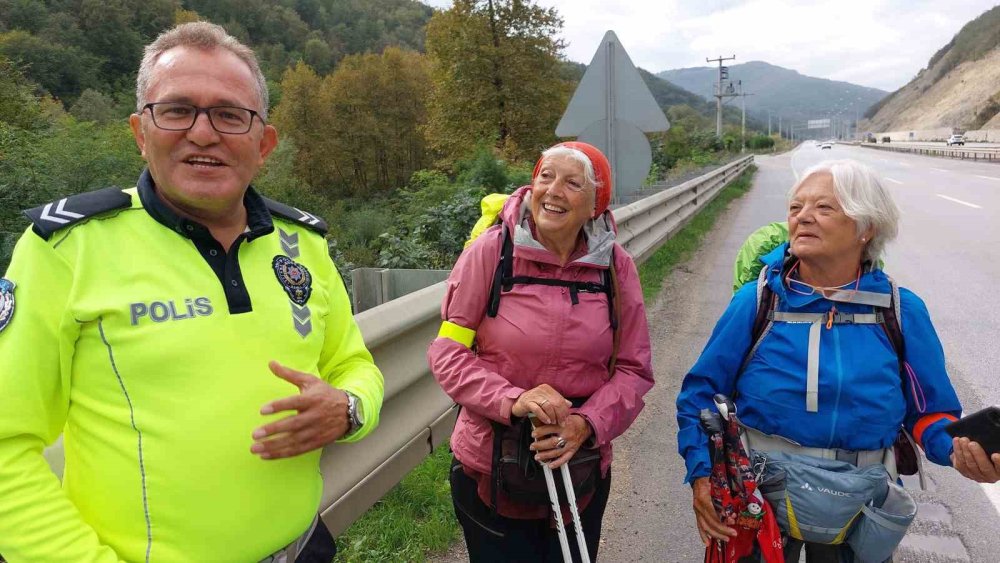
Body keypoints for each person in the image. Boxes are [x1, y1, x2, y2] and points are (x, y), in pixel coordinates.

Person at [0, 22, 383, 562]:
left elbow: (354, 364)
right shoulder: (65, 249)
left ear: (264, 142)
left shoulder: (303, 243)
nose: (203, 134)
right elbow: (5, 448)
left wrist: (348, 409)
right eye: (178, 110)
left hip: (305, 548)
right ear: (140, 130)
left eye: (230, 115)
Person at [676, 159, 983, 562]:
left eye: (824, 208)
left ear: (866, 227)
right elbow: (700, 396)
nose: (803, 217)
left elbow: (931, 413)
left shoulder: (900, 311)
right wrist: (703, 477)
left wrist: (962, 451)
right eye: (796, 208)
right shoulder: (755, 302)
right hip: (759, 500)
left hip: (859, 503)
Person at [427, 141, 654, 562]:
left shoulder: (616, 268)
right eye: (545, 176)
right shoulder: (492, 252)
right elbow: (447, 352)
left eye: (572, 183)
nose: (553, 190)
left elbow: (633, 369)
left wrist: (586, 423)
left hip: (580, 467)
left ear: (594, 204)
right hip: (489, 465)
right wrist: (514, 399)